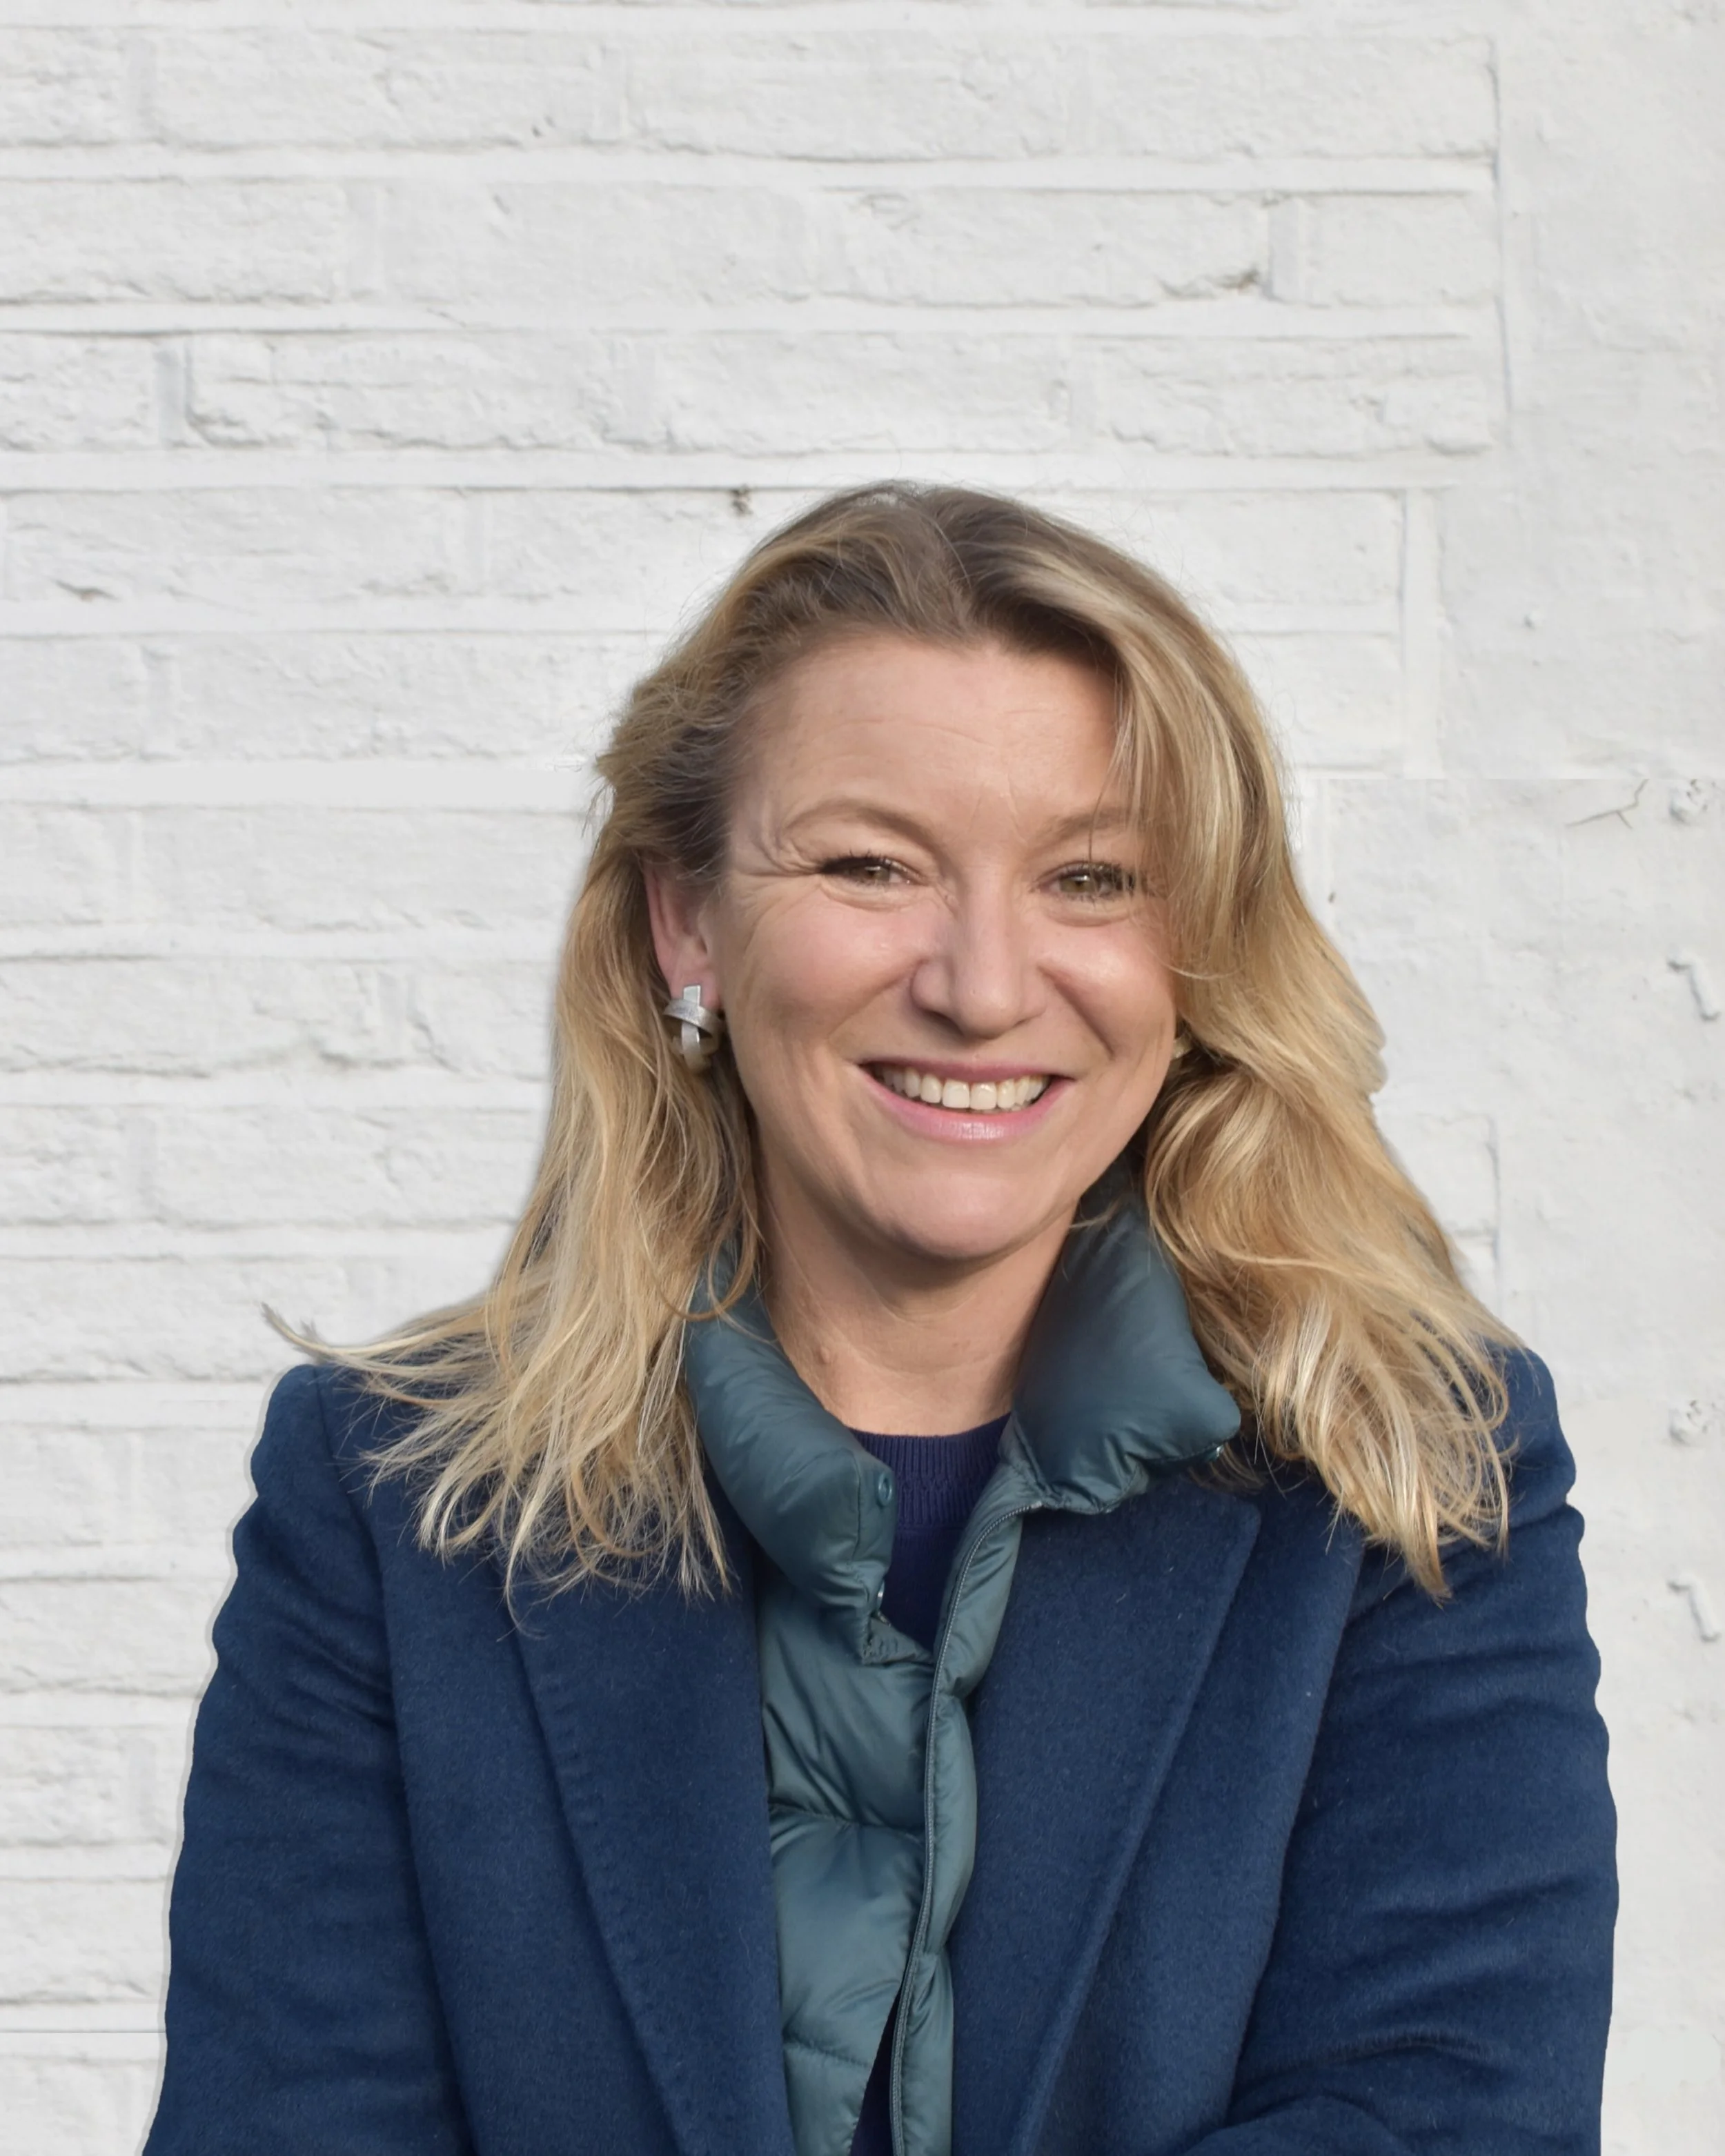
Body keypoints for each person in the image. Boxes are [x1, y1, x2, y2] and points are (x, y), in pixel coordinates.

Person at [144, 484, 1615, 2156]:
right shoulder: (396, 1495)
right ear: (685, 917)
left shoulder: (1407, 1467)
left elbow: (1443, 2118)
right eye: (869, 864)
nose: (980, 984)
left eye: (1089, 876)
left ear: (1195, 944)